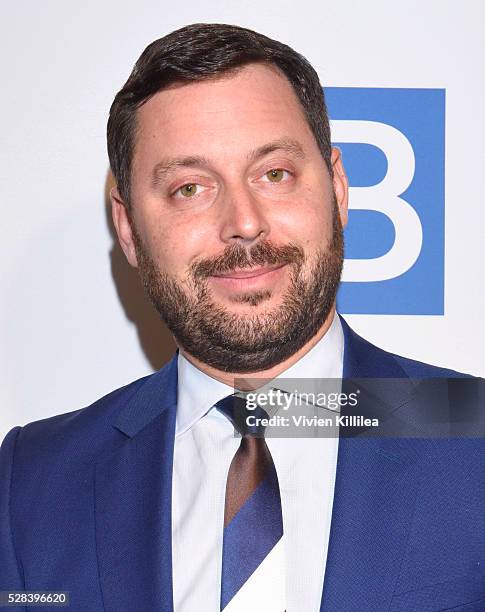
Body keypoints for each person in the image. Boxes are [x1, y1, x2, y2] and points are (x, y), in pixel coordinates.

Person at [1, 23, 484, 612]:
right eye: (190, 188)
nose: (245, 222)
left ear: (336, 186)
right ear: (128, 229)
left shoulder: (476, 439)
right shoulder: (32, 482)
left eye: (274, 174)